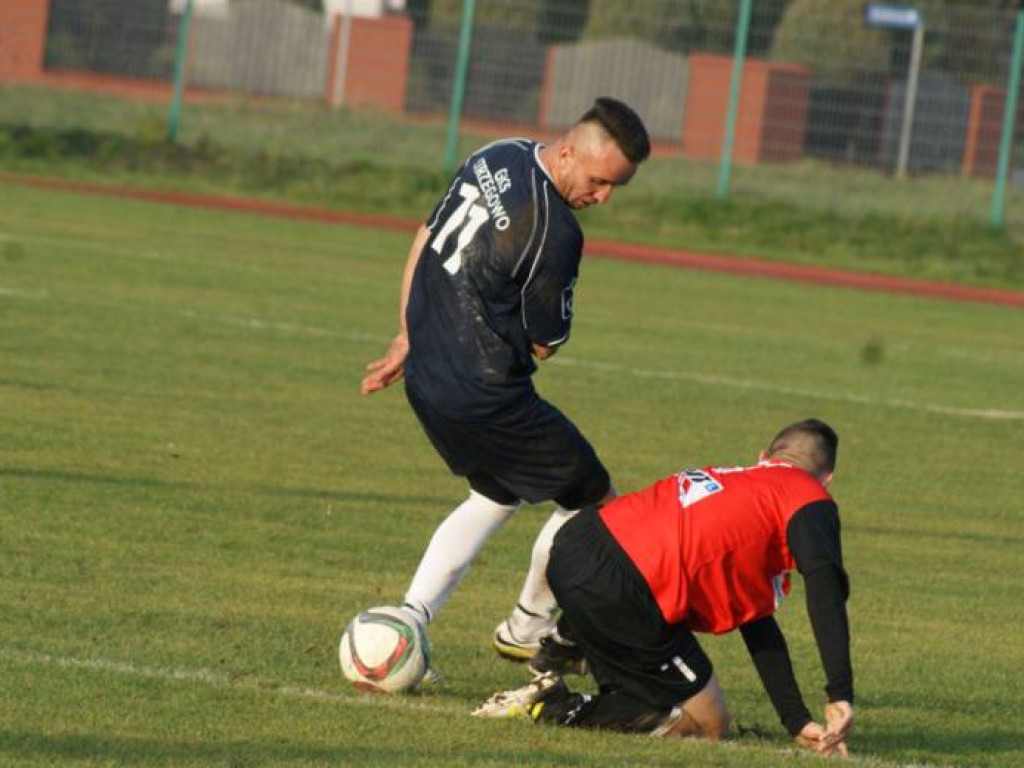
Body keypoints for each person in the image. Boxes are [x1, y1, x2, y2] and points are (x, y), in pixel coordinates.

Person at [360, 98, 651, 660]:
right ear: (568, 153)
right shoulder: (556, 231)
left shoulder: (498, 155)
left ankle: (410, 617)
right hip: (487, 395)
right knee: (597, 503)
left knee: (495, 494)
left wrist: (407, 333)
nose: (604, 197)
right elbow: (547, 342)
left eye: (617, 187)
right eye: (598, 181)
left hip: (426, 377)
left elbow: (426, 238)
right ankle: (528, 625)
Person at [474, 419, 855, 758]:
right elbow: (825, 588)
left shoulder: (739, 479)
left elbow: (756, 621)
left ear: (763, 457)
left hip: (577, 544)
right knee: (708, 725)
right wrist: (840, 694)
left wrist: (796, 720)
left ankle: (568, 643)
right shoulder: (808, 496)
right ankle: (551, 704)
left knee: (636, 618)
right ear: (826, 480)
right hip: (625, 589)